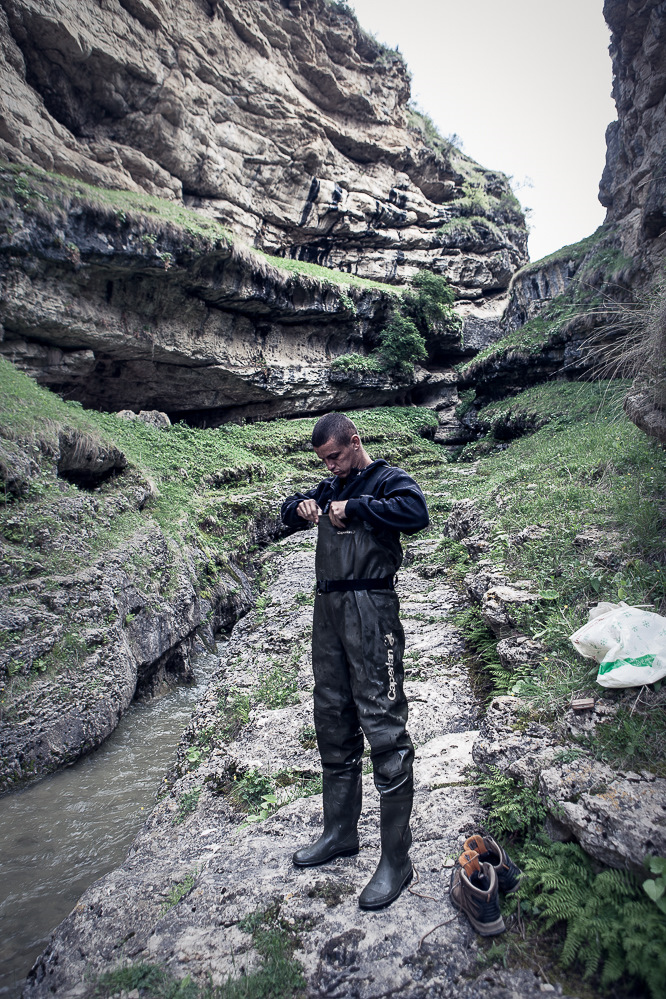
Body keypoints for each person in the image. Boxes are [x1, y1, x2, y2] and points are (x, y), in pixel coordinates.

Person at [281, 411, 429, 909]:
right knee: (333, 718)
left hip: (372, 610)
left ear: (354, 442)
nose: (331, 467)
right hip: (328, 610)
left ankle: (396, 861)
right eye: (324, 461)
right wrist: (302, 507)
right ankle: (340, 832)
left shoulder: (389, 479)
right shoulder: (329, 486)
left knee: (383, 726)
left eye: (336, 457)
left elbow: (415, 512)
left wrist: (358, 508)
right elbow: (284, 512)